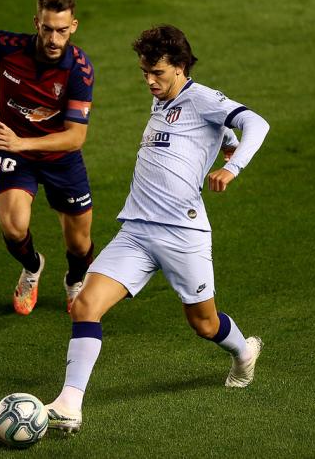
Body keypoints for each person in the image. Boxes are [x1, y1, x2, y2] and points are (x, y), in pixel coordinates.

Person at [45, 25, 271, 432]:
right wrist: (225, 143)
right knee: (85, 305)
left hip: (182, 235)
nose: (149, 81)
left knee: (204, 323)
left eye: (158, 73)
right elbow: (197, 140)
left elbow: (257, 123)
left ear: (181, 67)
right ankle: (69, 404)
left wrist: (232, 165)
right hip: (136, 230)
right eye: (144, 72)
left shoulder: (202, 98)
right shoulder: (162, 102)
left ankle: (243, 351)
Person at [0, 0, 95, 315]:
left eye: (61, 29)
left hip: (59, 156)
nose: (54, 38)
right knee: (13, 227)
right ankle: (32, 267)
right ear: (36, 24)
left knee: (80, 244)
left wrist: (22, 143)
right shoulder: (9, 47)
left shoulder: (79, 70)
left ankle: (74, 280)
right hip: (14, 153)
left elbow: (75, 138)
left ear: (73, 26)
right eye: (47, 29)